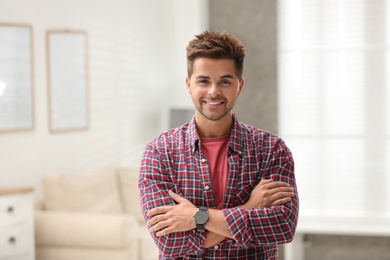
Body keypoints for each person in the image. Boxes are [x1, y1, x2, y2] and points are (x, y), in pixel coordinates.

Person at [138, 31, 299, 259]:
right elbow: (169, 243)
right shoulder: (159, 152)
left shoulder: (272, 149)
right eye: (204, 81)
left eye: (225, 81)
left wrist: (195, 217)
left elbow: (283, 226)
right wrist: (250, 207)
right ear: (188, 84)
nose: (214, 91)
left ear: (239, 86)